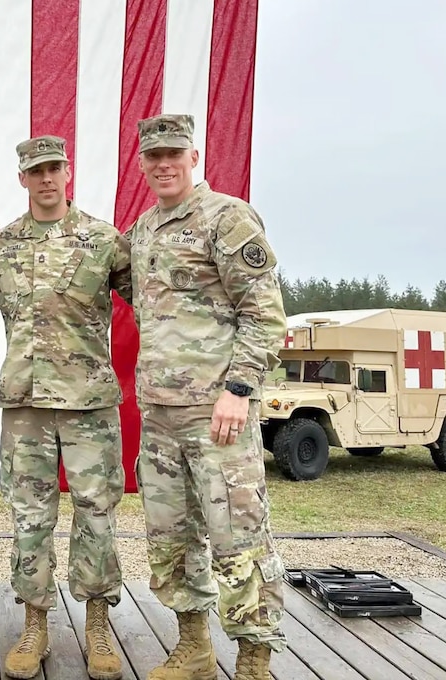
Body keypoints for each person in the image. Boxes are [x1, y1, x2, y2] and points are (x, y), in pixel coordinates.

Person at [126, 113, 287, 680]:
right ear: (142, 163)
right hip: (161, 414)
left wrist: (239, 389)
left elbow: (264, 314)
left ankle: (253, 660)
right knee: (171, 538)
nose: (164, 163)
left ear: (194, 156)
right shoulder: (143, 231)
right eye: (154, 156)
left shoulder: (227, 217)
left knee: (237, 533)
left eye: (174, 153)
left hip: (217, 413)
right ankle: (193, 647)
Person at [0, 135, 132, 680]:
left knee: (97, 516)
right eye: (35, 171)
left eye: (54, 168)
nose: (46, 178)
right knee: (29, 518)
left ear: (67, 172)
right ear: (21, 178)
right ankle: (35, 624)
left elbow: (155, 300)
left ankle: (97, 626)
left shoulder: (103, 239)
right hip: (25, 405)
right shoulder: (1, 245)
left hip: (89, 403)